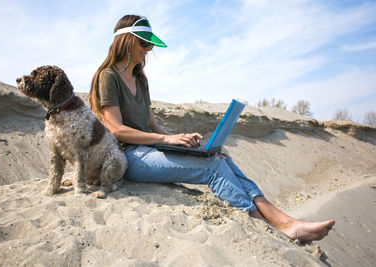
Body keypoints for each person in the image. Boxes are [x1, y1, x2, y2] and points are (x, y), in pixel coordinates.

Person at [88, 15, 335, 244]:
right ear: (126, 41)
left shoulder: (140, 79)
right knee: (211, 168)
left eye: (150, 46)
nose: (148, 51)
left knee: (218, 156)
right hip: (129, 156)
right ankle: (263, 224)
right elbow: (118, 130)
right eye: (144, 44)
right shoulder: (108, 77)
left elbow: (151, 125)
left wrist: (179, 140)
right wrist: (166, 138)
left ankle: (285, 221)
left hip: (151, 149)